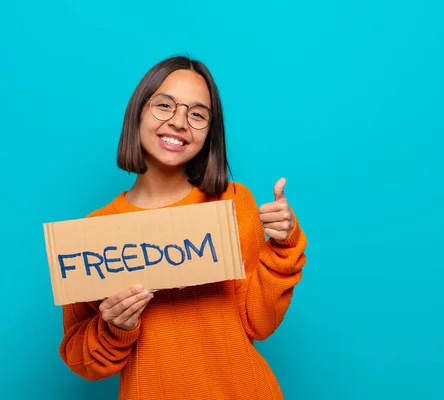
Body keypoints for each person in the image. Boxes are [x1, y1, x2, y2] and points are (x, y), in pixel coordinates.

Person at [59, 55, 308, 400]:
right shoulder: (94, 236)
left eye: (197, 114)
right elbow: (80, 359)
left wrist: (283, 244)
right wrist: (114, 327)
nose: (178, 122)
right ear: (138, 112)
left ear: (209, 132)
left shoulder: (234, 203)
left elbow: (258, 323)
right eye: (164, 105)